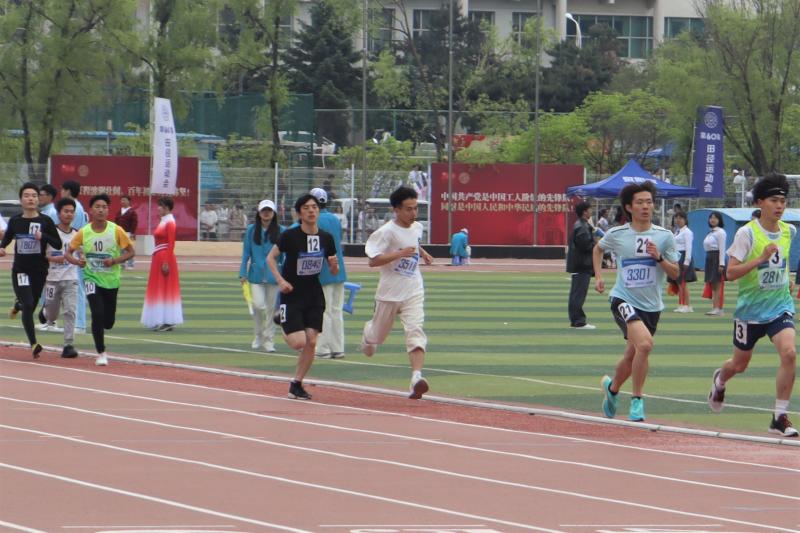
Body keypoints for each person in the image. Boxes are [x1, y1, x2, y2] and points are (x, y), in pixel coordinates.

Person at [708, 173, 797, 437]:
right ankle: (720, 380)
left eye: (782, 201)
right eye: (773, 200)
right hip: (750, 312)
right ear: (760, 202)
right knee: (739, 365)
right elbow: (730, 273)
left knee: (790, 354)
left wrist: (787, 279)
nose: (779, 206)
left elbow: (783, 262)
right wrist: (759, 260)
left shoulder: (789, 231)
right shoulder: (747, 233)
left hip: (779, 307)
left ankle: (779, 416)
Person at [592, 181, 679, 422]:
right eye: (640, 202)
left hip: (651, 306)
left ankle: (612, 389)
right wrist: (598, 276)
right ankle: (637, 400)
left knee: (632, 355)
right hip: (623, 298)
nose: (646, 207)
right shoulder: (617, 234)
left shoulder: (665, 236)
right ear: (629, 207)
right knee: (646, 345)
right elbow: (598, 249)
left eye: (649, 202)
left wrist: (659, 258)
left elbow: (675, 273)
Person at [361, 186, 434, 399]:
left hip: (413, 289)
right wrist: (399, 254)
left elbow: (413, 242)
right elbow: (372, 261)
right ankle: (368, 334)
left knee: (415, 330)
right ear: (396, 210)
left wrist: (423, 253)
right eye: (409, 209)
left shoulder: (417, 227)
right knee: (377, 337)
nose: (414, 213)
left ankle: (416, 378)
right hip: (389, 293)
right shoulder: (386, 232)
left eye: (415, 208)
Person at [267, 194, 338, 400]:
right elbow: (270, 258)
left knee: (312, 341)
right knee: (298, 342)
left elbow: (333, 270)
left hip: (314, 294)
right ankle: (281, 319)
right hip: (292, 293)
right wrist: (280, 281)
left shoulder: (326, 238)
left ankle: (296, 384)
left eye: (314, 207)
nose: (311, 211)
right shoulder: (290, 236)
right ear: (299, 213)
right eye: (306, 208)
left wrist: (334, 266)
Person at [65, 193, 135, 366]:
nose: (101, 210)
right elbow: (68, 253)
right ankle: (101, 353)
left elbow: (131, 252)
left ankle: (102, 329)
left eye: (104, 207)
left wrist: (115, 261)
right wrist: (78, 262)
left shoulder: (116, 230)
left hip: (111, 280)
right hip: (91, 278)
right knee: (97, 313)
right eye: (97, 207)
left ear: (108, 210)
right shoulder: (84, 232)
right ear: (91, 210)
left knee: (108, 322)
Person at [0, 183, 62, 358]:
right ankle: (34, 343)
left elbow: (58, 243)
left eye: (34, 195)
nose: (31, 198)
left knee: (30, 305)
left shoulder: (45, 221)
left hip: (39, 271)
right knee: (28, 304)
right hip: (21, 270)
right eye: (27, 195)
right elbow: (7, 239)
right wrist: (2, 248)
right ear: (21, 200)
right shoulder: (15, 221)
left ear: (38, 199)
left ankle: (17, 305)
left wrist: (44, 236)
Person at [240, 198, 283, 353]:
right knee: (258, 305)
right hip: (256, 275)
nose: (266, 213)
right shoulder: (251, 230)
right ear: (259, 213)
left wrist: (284, 274)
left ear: (274, 213)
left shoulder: (281, 230)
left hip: (274, 275)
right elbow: (246, 253)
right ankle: (258, 334)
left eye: (269, 210)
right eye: (264, 210)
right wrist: (242, 272)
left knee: (271, 309)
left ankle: (269, 340)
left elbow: (285, 254)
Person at [310, 187, 348, 360]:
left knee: (323, 311)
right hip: (338, 270)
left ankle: (323, 348)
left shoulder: (314, 219)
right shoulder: (334, 219)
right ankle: (338, 347)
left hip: (322, 271)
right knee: (336, 311)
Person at [42, 198, 79, 357]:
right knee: (52, 315)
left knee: (70, 310)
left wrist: (83, 260)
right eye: (66, 211)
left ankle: (68, 345)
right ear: (59, 213)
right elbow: (42, 256)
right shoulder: (51, 233)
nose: (69, 214)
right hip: (52, 279)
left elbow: (82, 252)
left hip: (71, 279)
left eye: (71, 212)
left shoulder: (77, 234)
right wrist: (56, 258)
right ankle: (45, 312)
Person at [141, 197, 183, 332]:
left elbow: (171, 243)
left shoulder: (170, 222)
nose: (158, 208)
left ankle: (168, 320)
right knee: (158, 288)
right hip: (158, 256)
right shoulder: (163, 221)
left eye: (160, 206)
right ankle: (160, 319)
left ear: (166, 208)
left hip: (165, 257)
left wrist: (166, 261)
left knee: (166, 289)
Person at [61, 180, 88, 335]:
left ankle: (80, 323)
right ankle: (76, 322)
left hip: (76, 251)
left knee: (77, 288)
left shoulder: (74, 209)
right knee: (73, 287)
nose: (61, 192)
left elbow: (75, 233)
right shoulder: (77, 207)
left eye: (63, 190)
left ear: (68, 191)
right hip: (76, 250)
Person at [567, 201, 596, 330]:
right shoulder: (582, 227)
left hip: (580, 264)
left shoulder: (582, 225)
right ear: (585, 211)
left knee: (577, 294)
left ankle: (576, 320)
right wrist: (597, 244)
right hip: (581, 265)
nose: (591, 211)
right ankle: (578, 321)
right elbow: (586, 246)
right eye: (590, 209)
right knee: (578, 295)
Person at [671, 212, 697, 313]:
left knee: (683, 283)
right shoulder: (677, 231)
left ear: (685, 220)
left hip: (683, 257)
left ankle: (687, 305)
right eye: (676, 218)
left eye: (680, 218)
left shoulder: (687, 232)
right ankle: (682, 304)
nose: (678, 220)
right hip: (677, 257)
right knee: (679, 283)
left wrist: (687, 261)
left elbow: (688, 247)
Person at [703, 211, 727, 316]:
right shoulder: (710, 232)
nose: (712, 220)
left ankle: (718, 308)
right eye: (711, 217)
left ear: (719, 220)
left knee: (717, 284)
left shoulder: (721, 232)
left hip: (716, 258)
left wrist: (721, 264)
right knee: (713, 284)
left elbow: (722, 248)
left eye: (715, 218)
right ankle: (715, 307)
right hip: (710, 257)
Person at [114, 195, 138, 270]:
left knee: (130, 249)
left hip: (128, 233)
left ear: (128, 201)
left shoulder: (132, 212)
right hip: (120, 233)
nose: (122, 201)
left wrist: (132, 233)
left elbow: (135, 223)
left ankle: (130, 264)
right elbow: (116, 222)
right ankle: (122, 264)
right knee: (121, 249)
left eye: (124, 200)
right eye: (121, 200)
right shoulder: (119, 212)